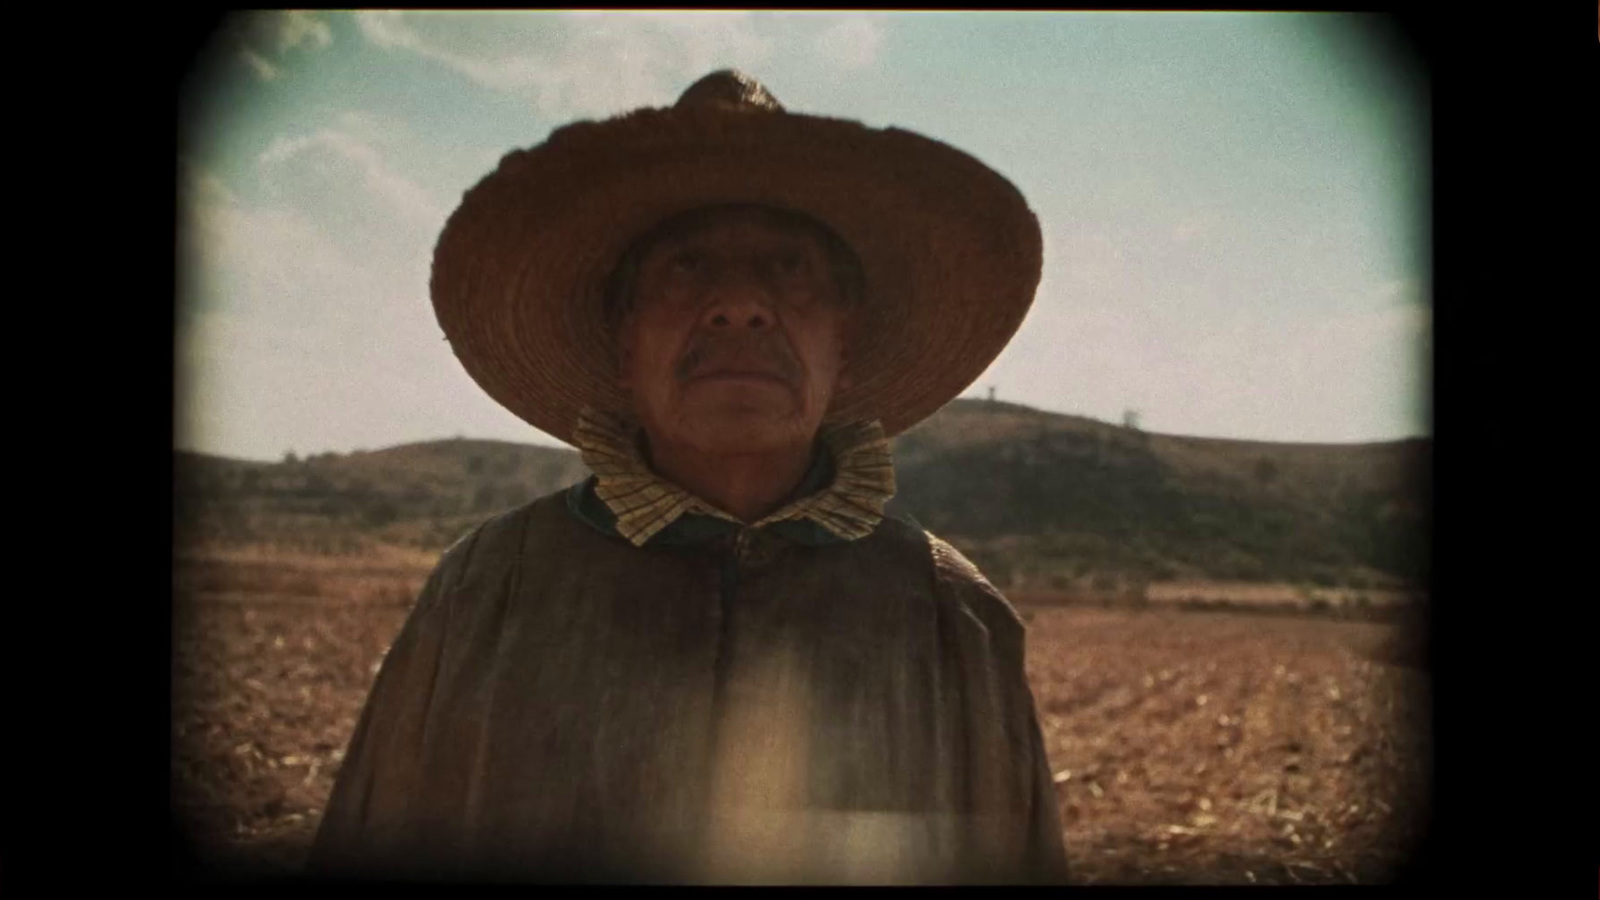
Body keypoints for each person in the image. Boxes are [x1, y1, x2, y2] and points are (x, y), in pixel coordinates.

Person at [309, 69, 1065, 884]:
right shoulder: (487, 588)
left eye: (788, 268)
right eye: (686, 267)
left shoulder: (957, 617)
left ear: (844, 345)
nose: (739, 304)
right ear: (623, 342)